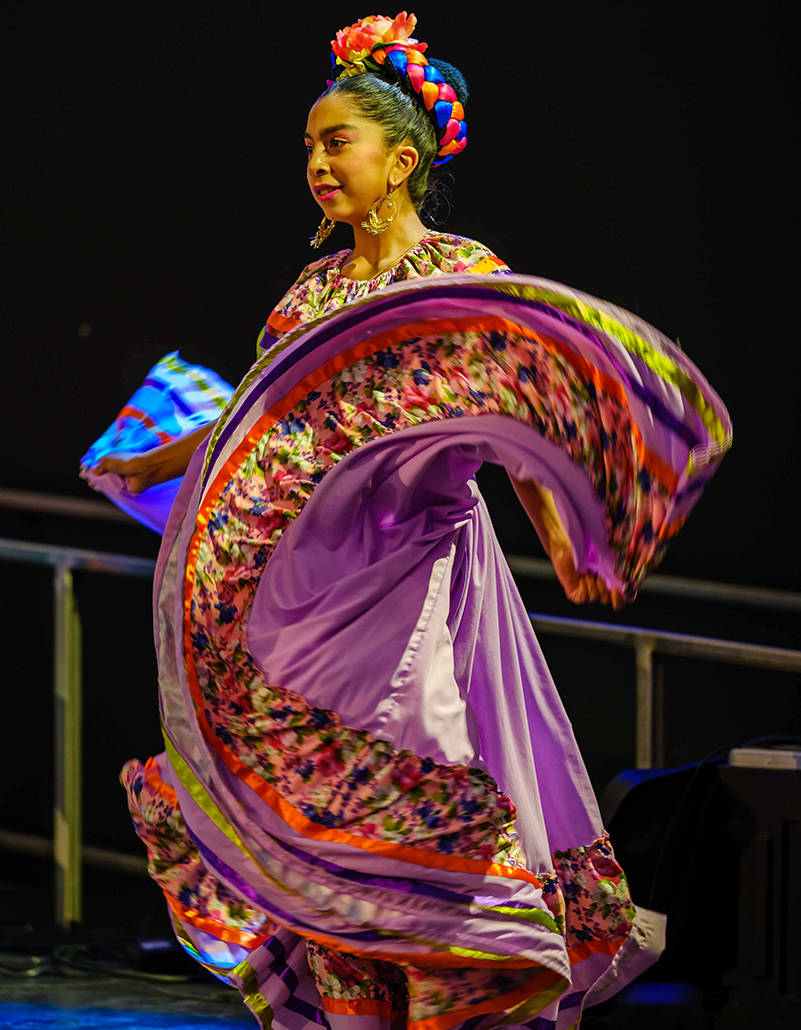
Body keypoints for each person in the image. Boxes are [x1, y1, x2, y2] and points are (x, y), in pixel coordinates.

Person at [86, 13, 731, 1029]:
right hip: (318, 593)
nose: (314, 162)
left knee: (421, 765)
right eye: (306, 144)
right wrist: (153, 461)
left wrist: (572, 543)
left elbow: (512, 413)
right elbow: (253, 423)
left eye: (333, 141)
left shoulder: (460, 278)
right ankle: (358, 1006)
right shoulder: (312, 294)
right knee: (325, 797)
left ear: (401, 159)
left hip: (421, 584)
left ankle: (449, 997)